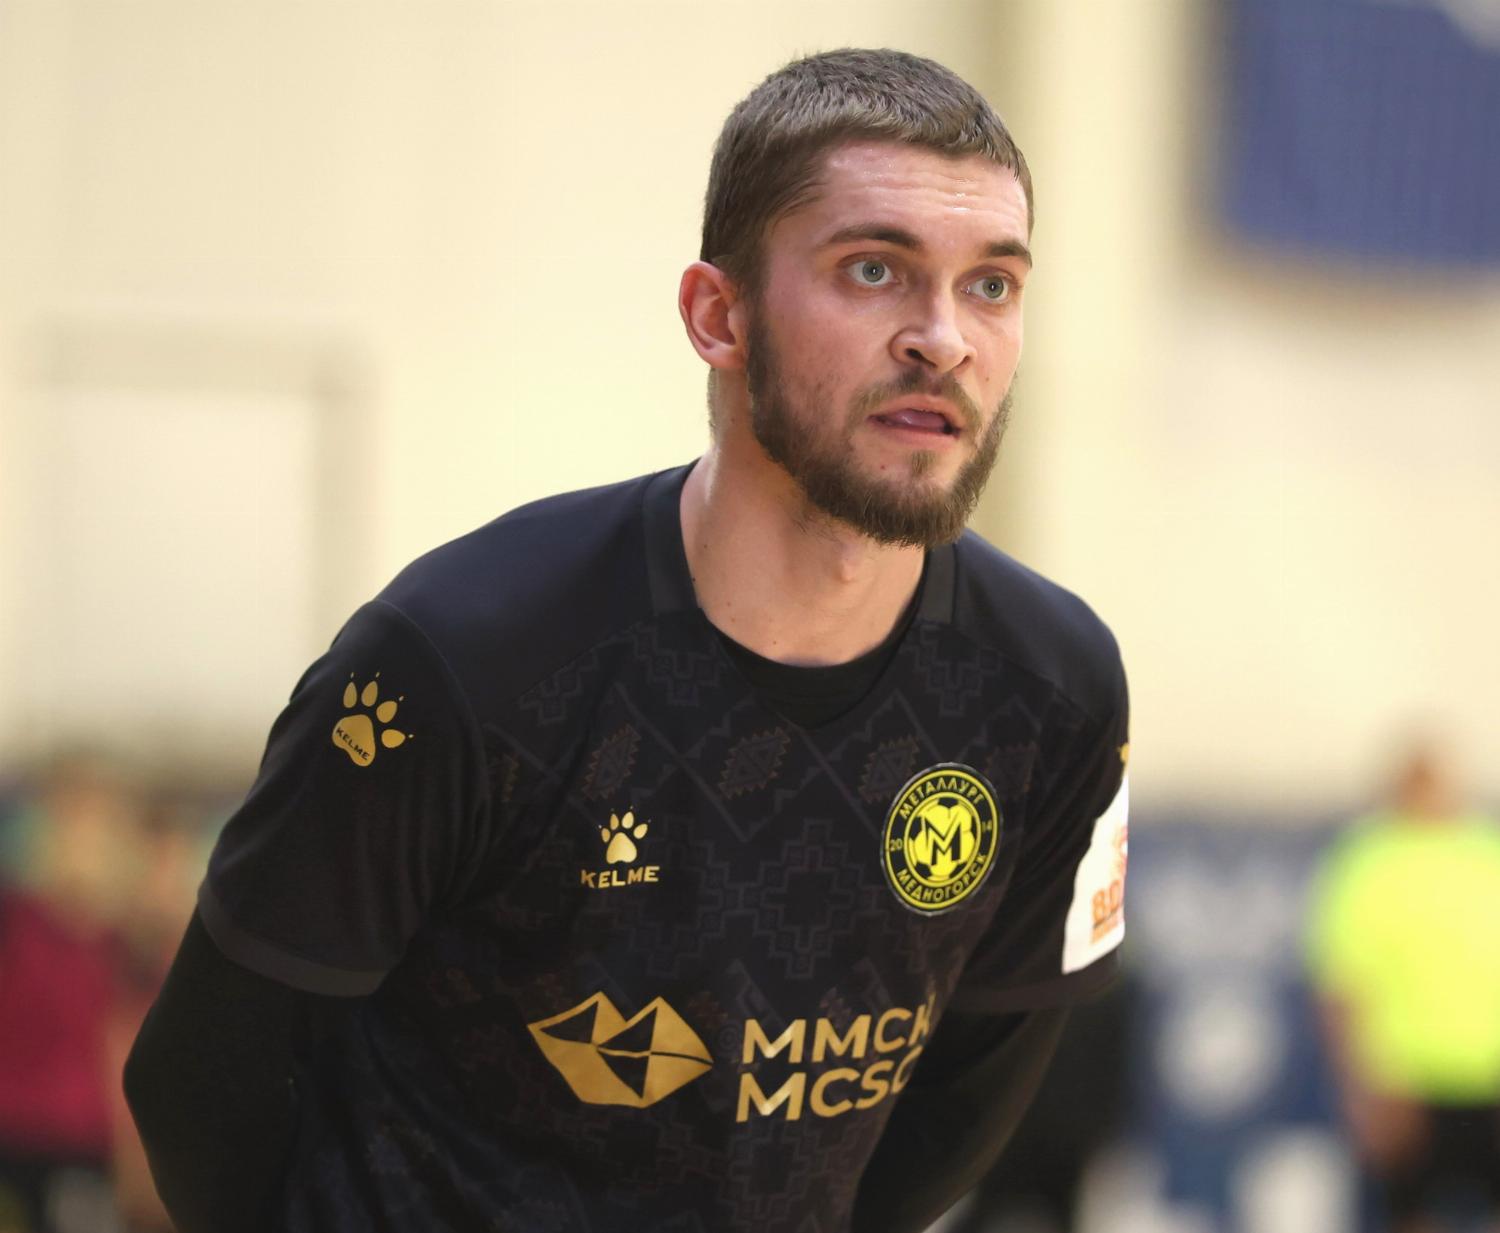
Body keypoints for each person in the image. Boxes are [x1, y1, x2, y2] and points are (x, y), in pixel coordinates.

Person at [124, 48, 1130, 1233]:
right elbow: (200, 1088)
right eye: (874, 270)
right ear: (719, 315)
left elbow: (964, 1109)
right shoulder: (462, 661)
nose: (945, 339)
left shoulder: (1053, 691)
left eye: (992, 285)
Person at [1306, 741, 1500, 1233]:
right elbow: (1340, 984)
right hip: (1405, 1082)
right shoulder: (1368, 861)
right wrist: (1361, 1085)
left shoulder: (1486, 853)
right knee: (1412, 1215)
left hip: (1487, 1077)